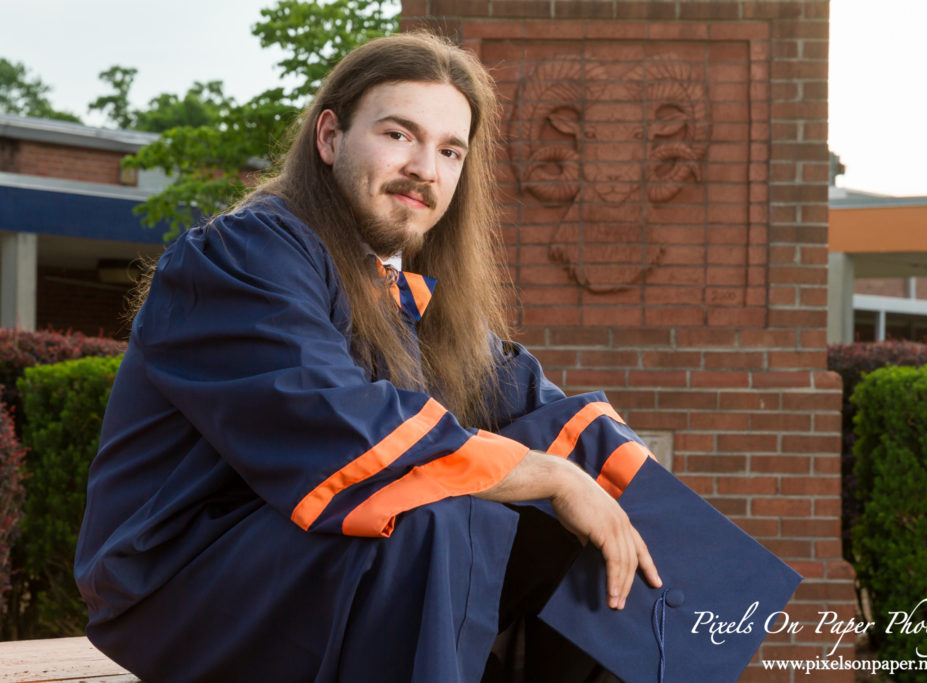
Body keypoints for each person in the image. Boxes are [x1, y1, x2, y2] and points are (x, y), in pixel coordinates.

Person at [75, 32, 661, 682]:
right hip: (181, 578)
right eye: (398, 134)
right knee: (431, 515)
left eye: (449, 151)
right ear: (329, 138)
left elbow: (523, 396)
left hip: (303, 566)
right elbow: (337, 424)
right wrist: (551, 477)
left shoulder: (408, 295)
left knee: (621, 512)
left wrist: (625, 476)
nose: (425, 169)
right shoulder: (246, 256)